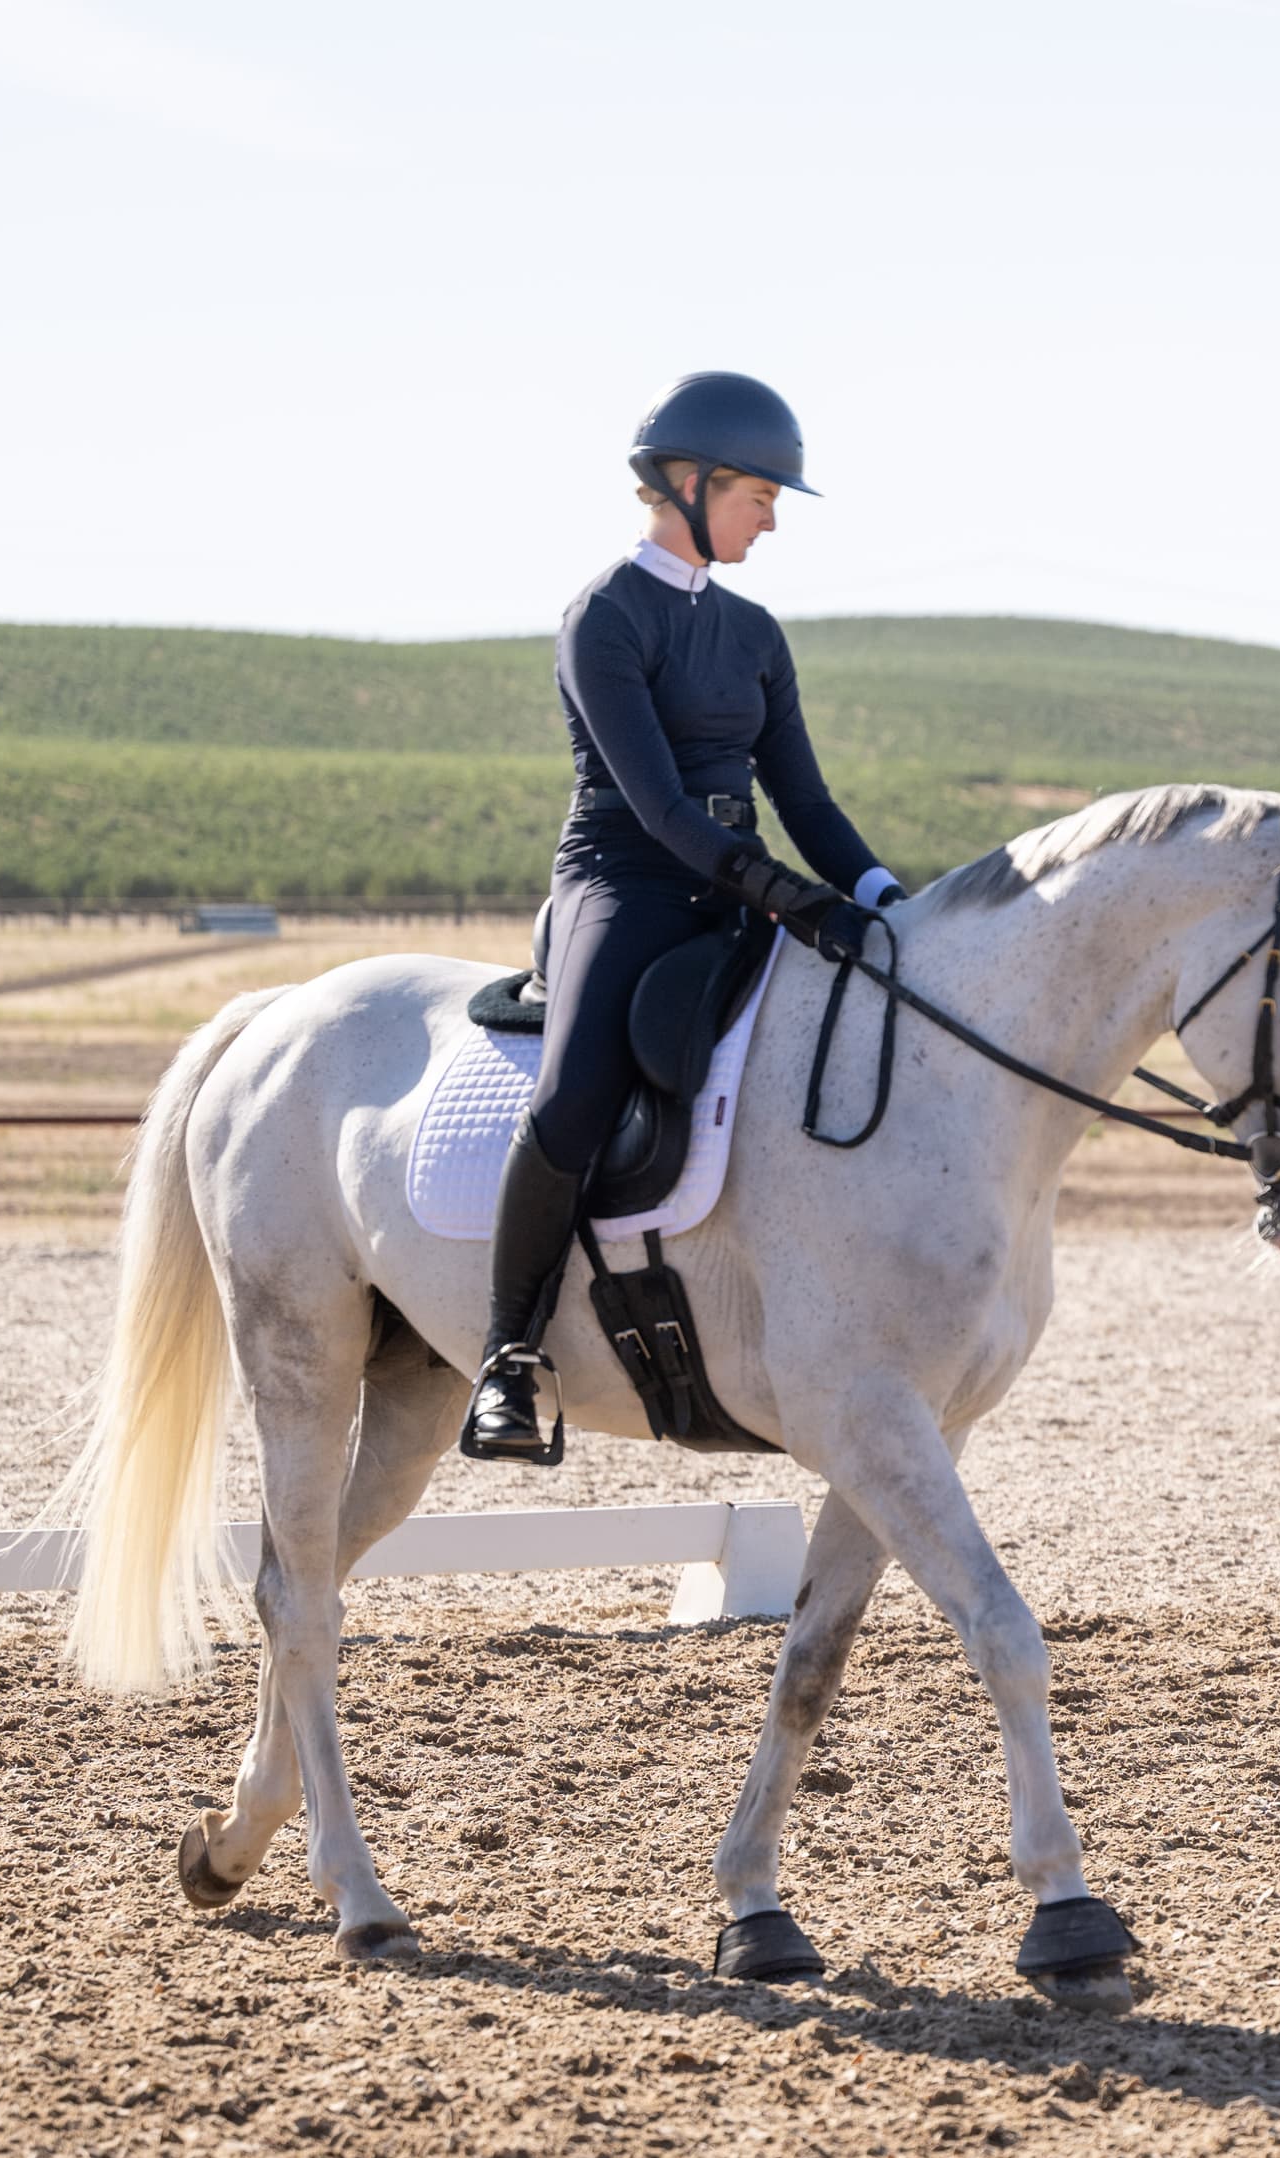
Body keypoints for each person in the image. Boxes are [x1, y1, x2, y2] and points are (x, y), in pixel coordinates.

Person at [461, 372, 906, 1461]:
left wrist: (889, 901)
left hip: (735, 882)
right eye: (760, 494)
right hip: (625, 879)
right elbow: (659, 808)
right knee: (572, 1100)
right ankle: (506, 1360)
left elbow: (805, 800)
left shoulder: (754, 633)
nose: (772, 518)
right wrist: (790, 896)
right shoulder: (605, 617)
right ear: (691, 483)